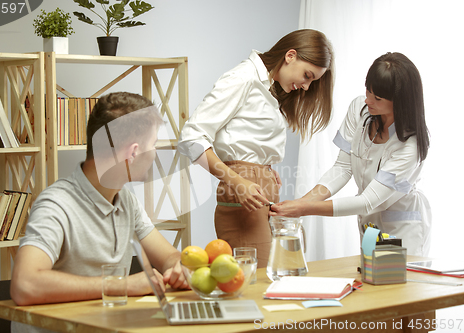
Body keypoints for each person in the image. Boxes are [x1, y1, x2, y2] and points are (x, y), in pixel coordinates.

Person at [10, 92, 189, 333]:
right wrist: (120, 285)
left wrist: (178, 267)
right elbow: (25, 284)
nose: (155, 153)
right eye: (154, 145)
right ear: (133, 152)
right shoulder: (56, 204)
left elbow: (167, 256)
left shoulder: (125, 200)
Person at [178, 29, 334, 267]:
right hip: (244, 198)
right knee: (258, 283)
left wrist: (263, 167)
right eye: (308, 76)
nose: (306, 86)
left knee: (269, 280)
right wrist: (239, 180)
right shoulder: (243, 78)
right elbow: (191, 137)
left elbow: (243, 139)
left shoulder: (267, 86)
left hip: (259, 192)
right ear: (290, 55)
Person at [270, 52, 431, 256]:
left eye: (377, 98)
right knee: (370, 277)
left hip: (401, 224)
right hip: (369, 221)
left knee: (395, 282)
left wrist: (303, 208)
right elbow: (343, 168)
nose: (368, 100)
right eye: (368, 91)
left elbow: (367, 201)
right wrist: (302, 202)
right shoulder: (361, 109)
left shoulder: (410, 145)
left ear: (400, 102)